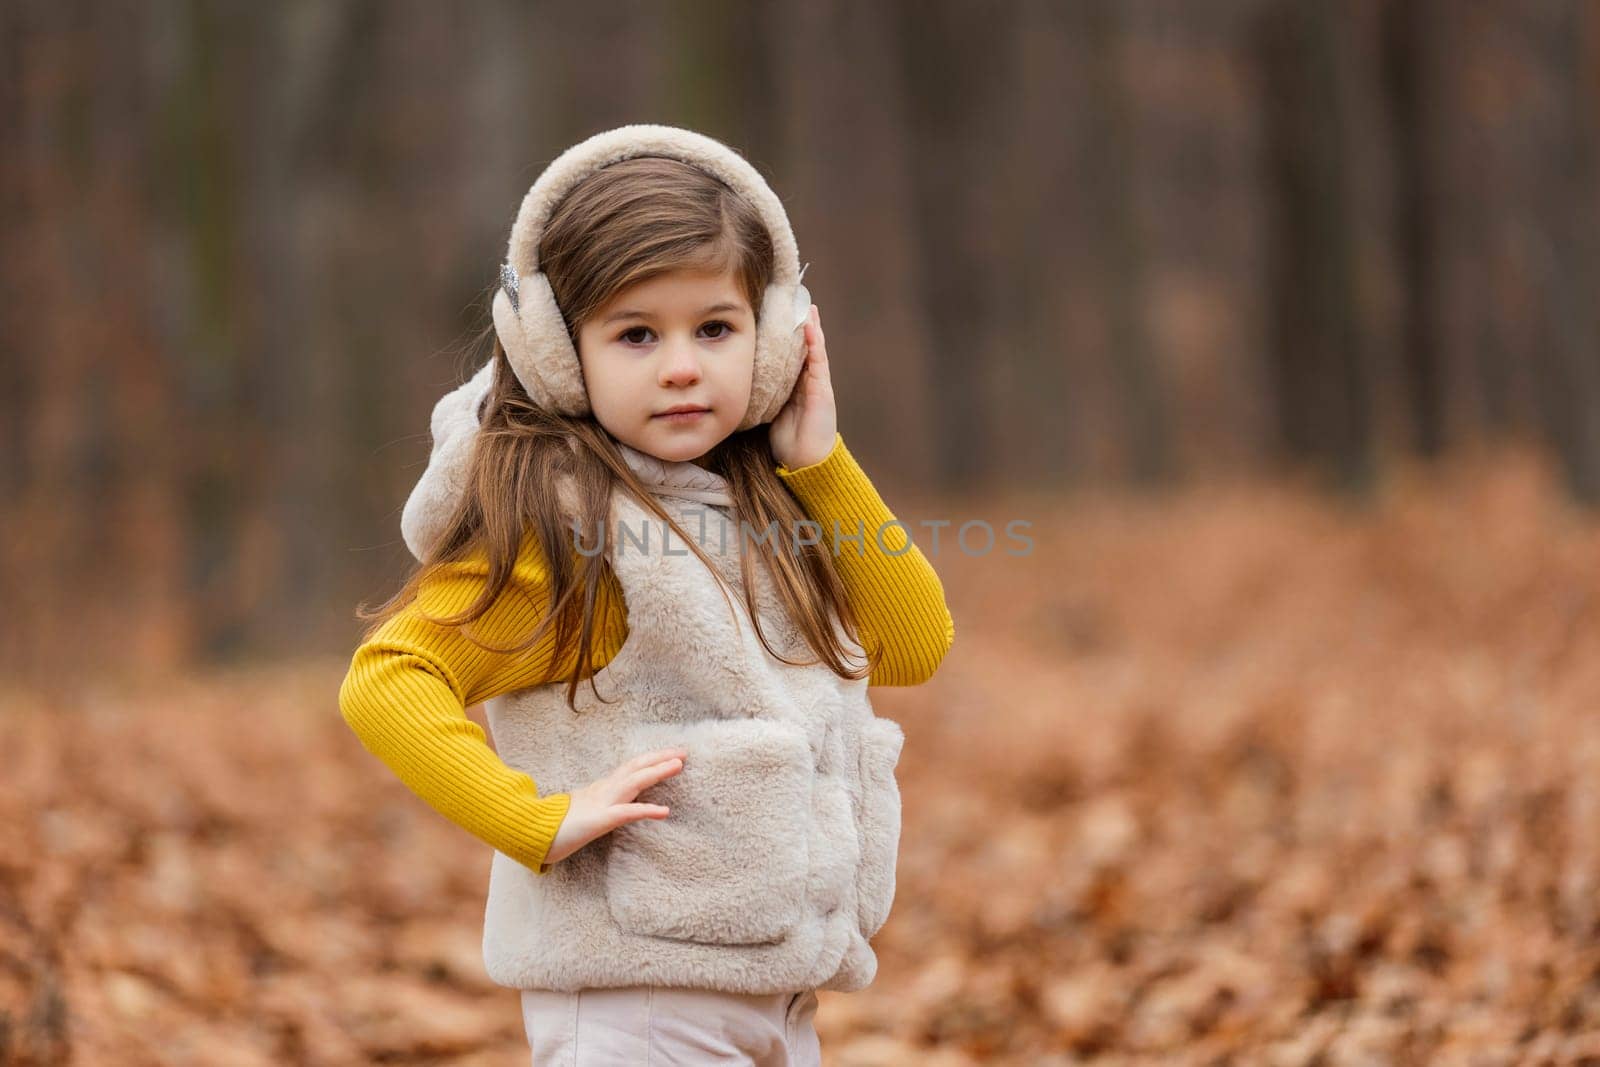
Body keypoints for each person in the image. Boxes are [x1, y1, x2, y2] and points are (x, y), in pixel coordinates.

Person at [337, 123, 954, 1065]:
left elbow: (914, 644)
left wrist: (821, 465)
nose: (681, 365)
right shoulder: (572, 532)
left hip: (767, 997)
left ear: (779, 338)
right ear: (554, 351)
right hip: (639, 1006)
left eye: (716, 328)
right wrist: (536, 821)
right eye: (636, 334)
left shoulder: (754, 500)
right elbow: (388, 679)